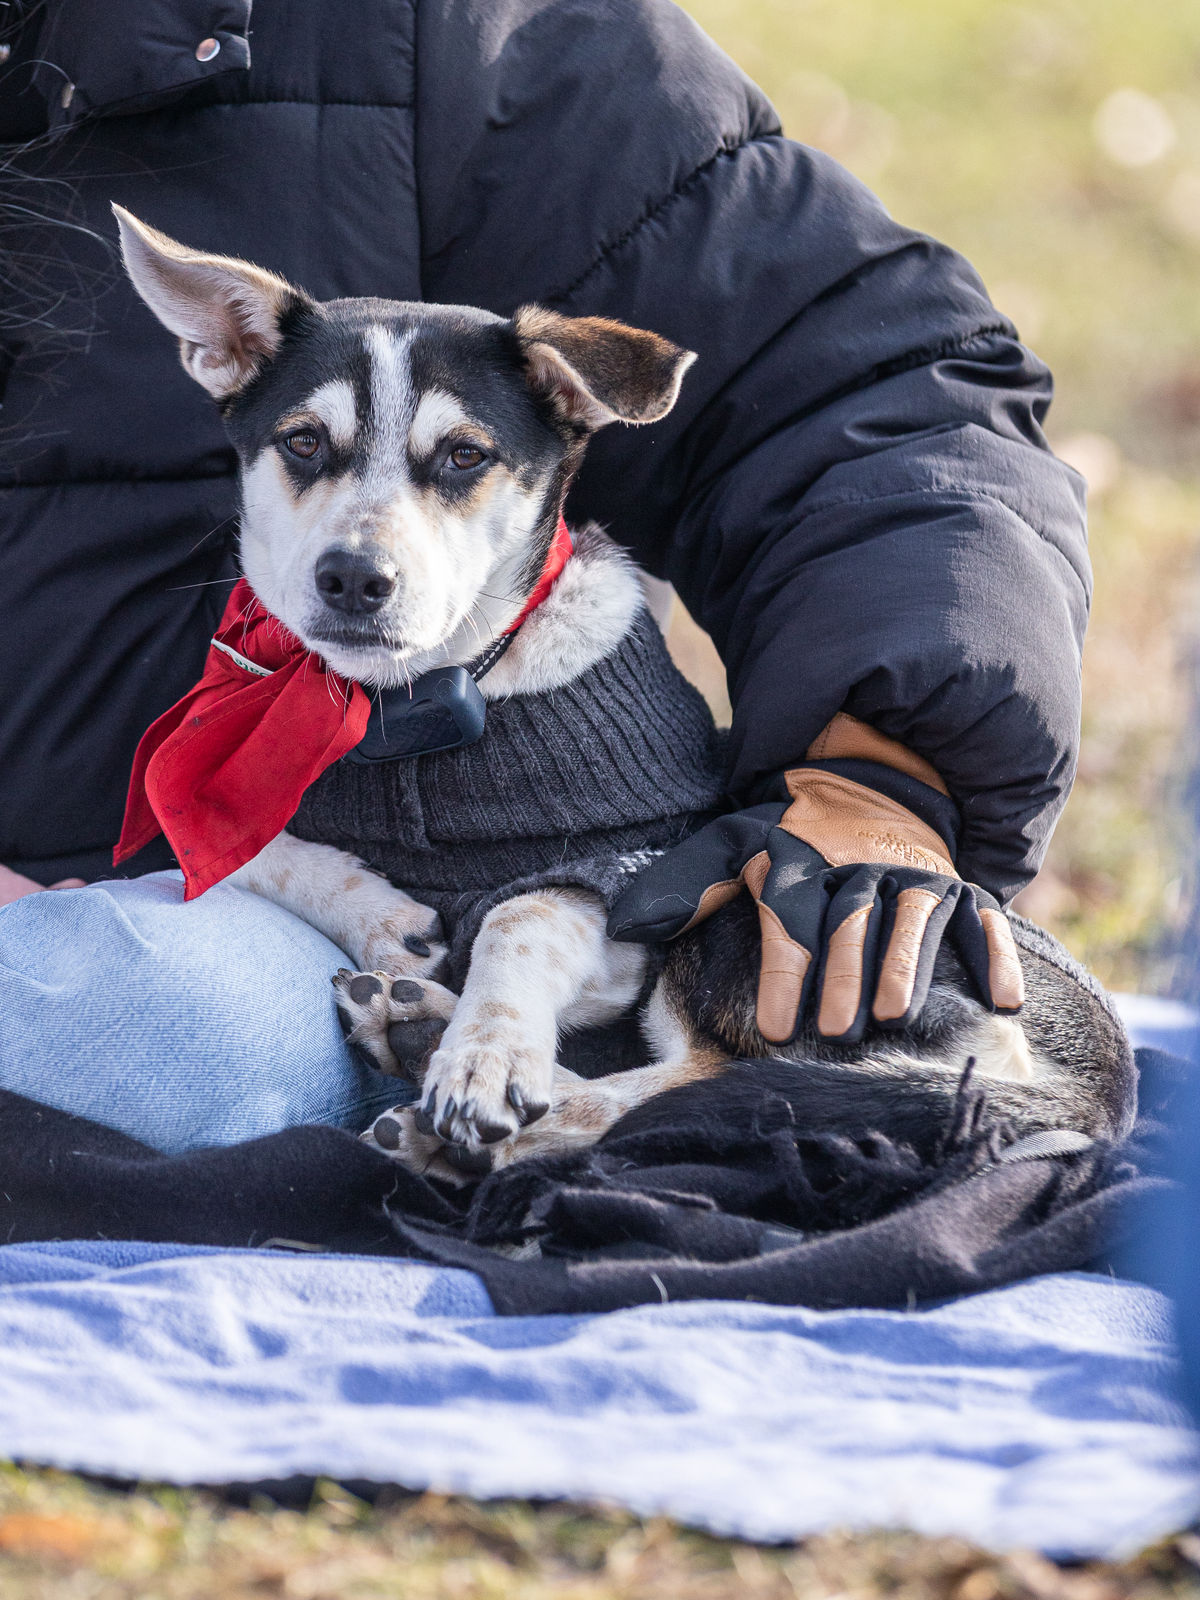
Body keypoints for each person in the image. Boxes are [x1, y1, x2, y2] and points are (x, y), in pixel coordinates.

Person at [0, 0, 1088, 1150]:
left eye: (457, 465)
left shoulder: (442, 41)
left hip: (194, 965)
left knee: (169, 1027)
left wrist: (885, 763)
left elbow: (867, 396)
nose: (364, 542)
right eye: (309, 454)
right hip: (168, 920)